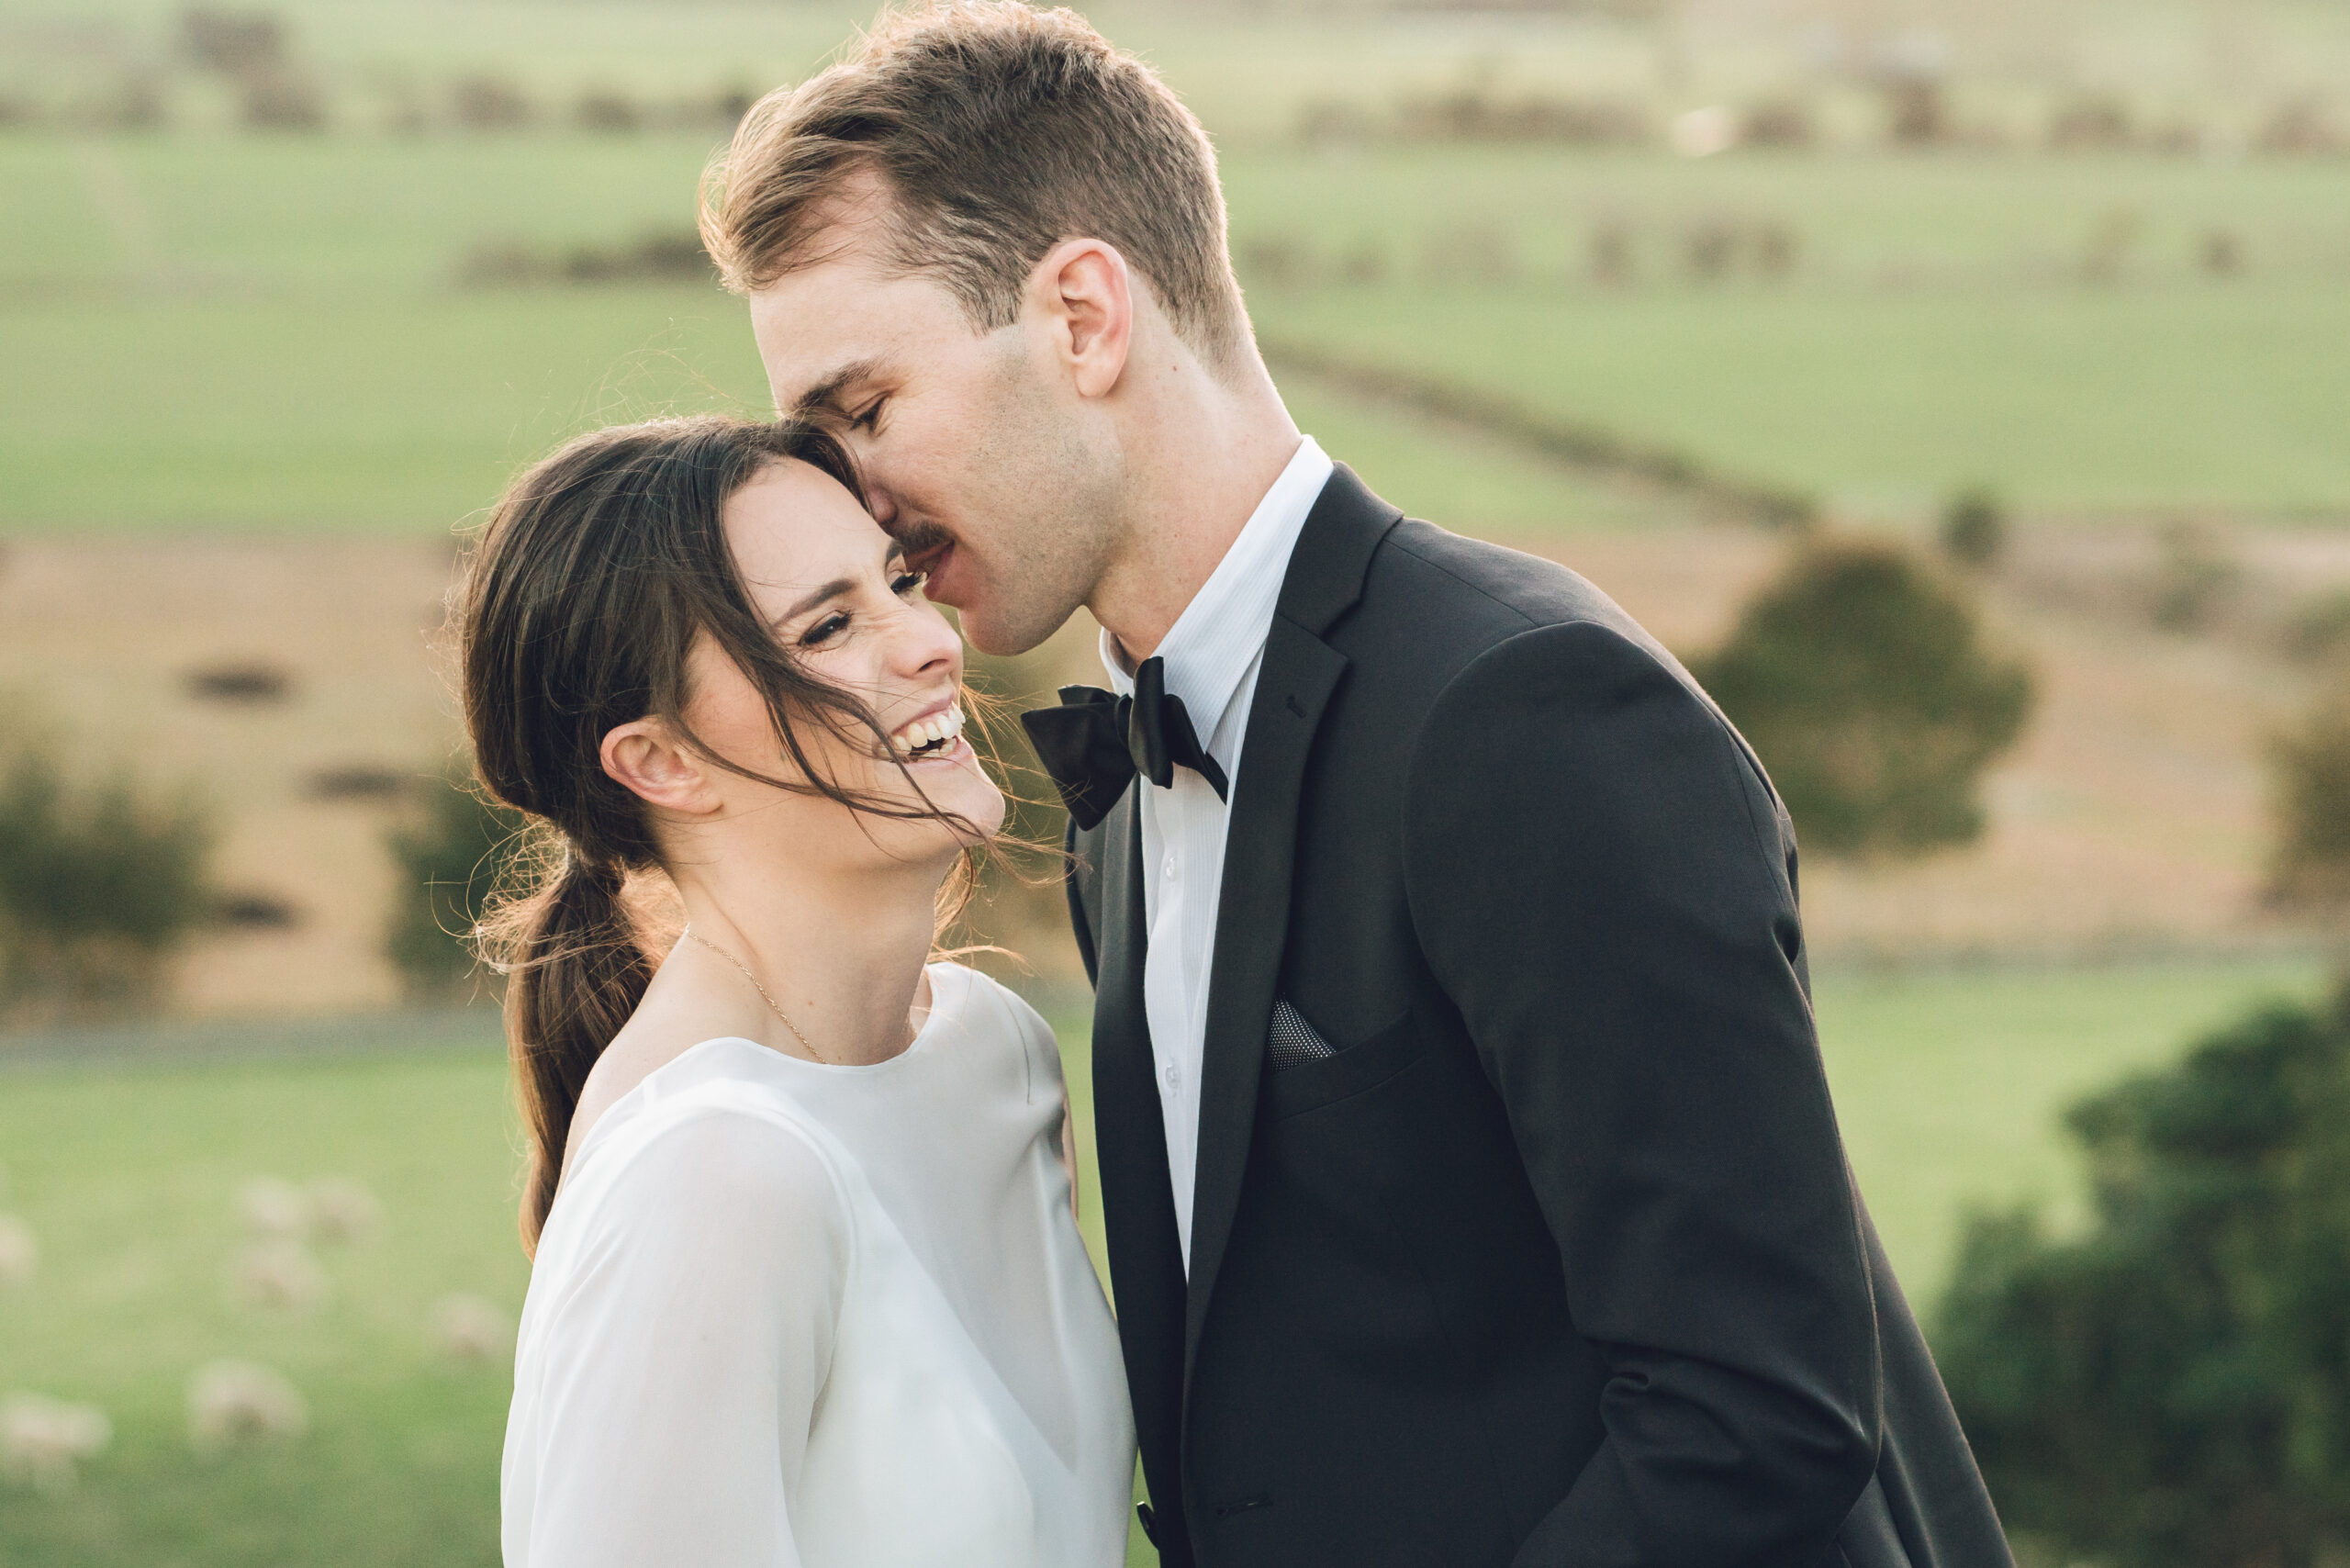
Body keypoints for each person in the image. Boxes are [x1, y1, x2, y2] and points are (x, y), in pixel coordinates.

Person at [701, 5, 2015, 1566]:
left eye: (865, 409)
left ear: (1083, 318)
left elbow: (1755, 1415)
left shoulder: (1529, 715)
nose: (861, 498)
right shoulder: (1125, 786)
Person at [470, 415, 1135, 1568]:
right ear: (660, 762)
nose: (929, 643)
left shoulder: (999, 1055)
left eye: (898, 582)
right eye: (828, 625)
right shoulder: (713, 1172)